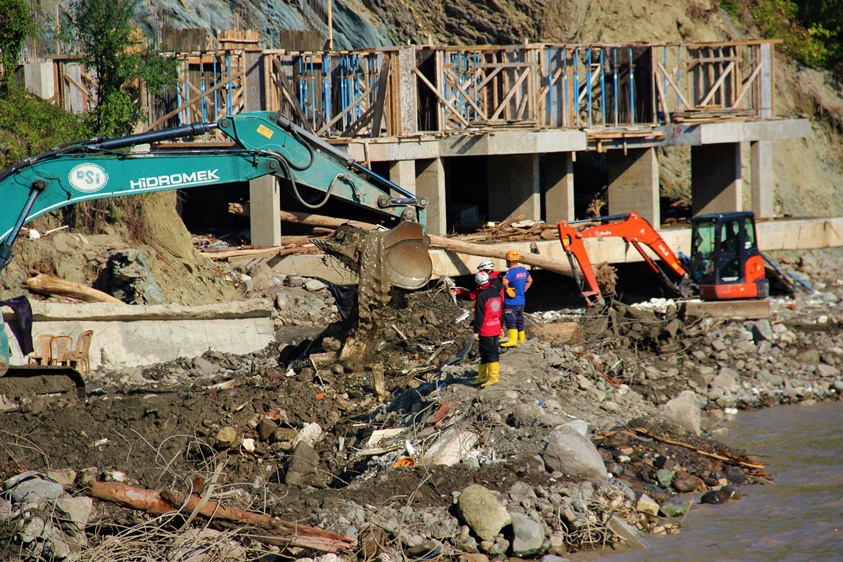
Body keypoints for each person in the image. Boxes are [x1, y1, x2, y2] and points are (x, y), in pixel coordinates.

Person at [471, 270, 503, 387]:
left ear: (478, 283)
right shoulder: (496, 293)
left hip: (486, 330)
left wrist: (476, 331)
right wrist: (501, 327)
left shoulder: (482, 296)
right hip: (495, 327)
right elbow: (501, 312)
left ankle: (493, 377)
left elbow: (479, 315)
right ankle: (482, 376)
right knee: (485, 353)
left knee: (490, 353)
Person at [500, 249, 532, 347]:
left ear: (508, 261)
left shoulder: (511, 272)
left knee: (511, 320)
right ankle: (521, 340)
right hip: (521, 301)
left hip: (511, 302)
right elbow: (530, 280)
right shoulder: (523, 271)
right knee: (519, 320)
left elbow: (504, 281)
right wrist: (524, 290)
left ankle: (513, 340)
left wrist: (507, 288)